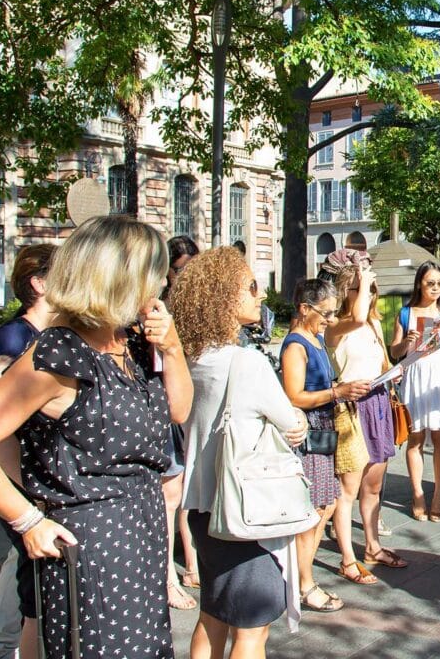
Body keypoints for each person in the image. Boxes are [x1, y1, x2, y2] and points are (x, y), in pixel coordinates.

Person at [0, 216, 191, 659]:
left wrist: (171, 349)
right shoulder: (61, 350)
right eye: (155, 276)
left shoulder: (129, 343)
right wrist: (28, 520)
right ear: (120, 279)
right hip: (94, 549)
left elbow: (178, 411)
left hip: (143, 537)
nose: (159, 289)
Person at [172, 247, 308, 658]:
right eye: (251, 287)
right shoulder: (245, 363)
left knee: (212, 615)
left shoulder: (189, 357)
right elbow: (292, 423)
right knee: (251, 631)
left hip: (199, 503)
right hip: (244, 508)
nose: (260, 296)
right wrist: (296, 422)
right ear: (224, 296)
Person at [0, 244, 57, 659]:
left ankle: (2, 644)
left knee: (23, 564)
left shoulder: (48, 337)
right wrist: (27, 494)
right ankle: (2, 647)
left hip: (37, 480)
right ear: (39, 283)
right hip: (22, 482)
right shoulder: (15, 336)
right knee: (29, 572)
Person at [280, 278, 370, 612]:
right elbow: (293, 396)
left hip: (325, 424)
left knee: (326, 504)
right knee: (316, 507)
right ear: (304, 309)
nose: (331, 319)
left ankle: (302, 575)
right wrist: (337, 392)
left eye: (333, 313)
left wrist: (341, 388)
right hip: (312, 429)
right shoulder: (295, 346)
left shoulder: (315, 339)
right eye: (326, 312)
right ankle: (304, 582)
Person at [326, 262, 407, 582]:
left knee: (373, 486)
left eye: (372, 288)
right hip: (351, 407)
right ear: (347, 292)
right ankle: (348, 558)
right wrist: (361, 277)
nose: (370, 294)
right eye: (363, 288)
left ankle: (372, 546)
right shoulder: (335, 325)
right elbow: (356, 317)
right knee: (348, 490)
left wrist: (393, 371)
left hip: (378, 403)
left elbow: (384, 361)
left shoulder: (372, 321)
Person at [389, 262, 440, 522]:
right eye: (430, 283)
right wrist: (406, 342)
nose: (435, 288)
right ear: (419, 283)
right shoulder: (407, 312)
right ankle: (418, 493)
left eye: (439, 283)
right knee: (416, 437)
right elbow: (395, 351)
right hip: (416, 375)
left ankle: (439, 495)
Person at [161, 234, 202, 606]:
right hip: (166, 406)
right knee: (171, 492)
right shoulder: (158, 310)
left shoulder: (198, 308)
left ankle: (192, 562)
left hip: (193, 402)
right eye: (179, 270)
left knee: (189, 486)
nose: (185, 277)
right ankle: (169, 576)